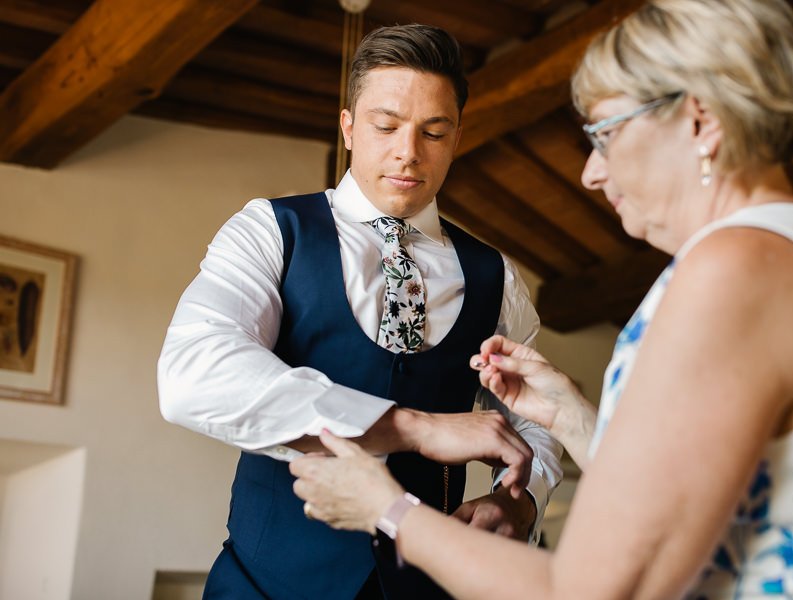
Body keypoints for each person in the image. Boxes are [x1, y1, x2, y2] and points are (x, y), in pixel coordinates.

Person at [287, 0, 793, 597]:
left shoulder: (733, 269)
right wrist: (575, 418)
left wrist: (386, 510)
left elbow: (596, 588)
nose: (591, 174)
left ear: (699, 121)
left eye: (606, 135)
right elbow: (725, 492)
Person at [157, 24, 562, 600]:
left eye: (434, 132)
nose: (409, 152)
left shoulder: (499, 277)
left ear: (457, 138)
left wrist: (519, 502)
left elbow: (536, 417)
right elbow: (191, 375)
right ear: (348, 127)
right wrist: (414, 428)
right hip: (263, 587)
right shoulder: (272, 232)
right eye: (386, 125)